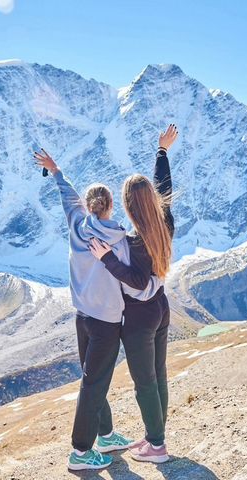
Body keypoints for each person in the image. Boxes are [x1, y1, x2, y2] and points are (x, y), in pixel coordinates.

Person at [33, 149, 132, 471]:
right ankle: (80, 452)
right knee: (94, 384)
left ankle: (106, 435)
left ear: (88, 207)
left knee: (93, 378)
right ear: (111, 206)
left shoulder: (77, 224)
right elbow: (130, 278)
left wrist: (57, 171)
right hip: (106, 321)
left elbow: (68, 198)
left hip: (83, 317)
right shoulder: (119, 237)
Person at [89, 124, 178, 464]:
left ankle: (157, 447)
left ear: (127, 206)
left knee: (145, 383)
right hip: (161, 307)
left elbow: (137, 281)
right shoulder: (164, 221)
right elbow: (164, 187)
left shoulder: (133, 240)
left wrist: (106, 258)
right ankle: (157, 436)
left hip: (140, 316)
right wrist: (162, 152)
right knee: (159, 375)